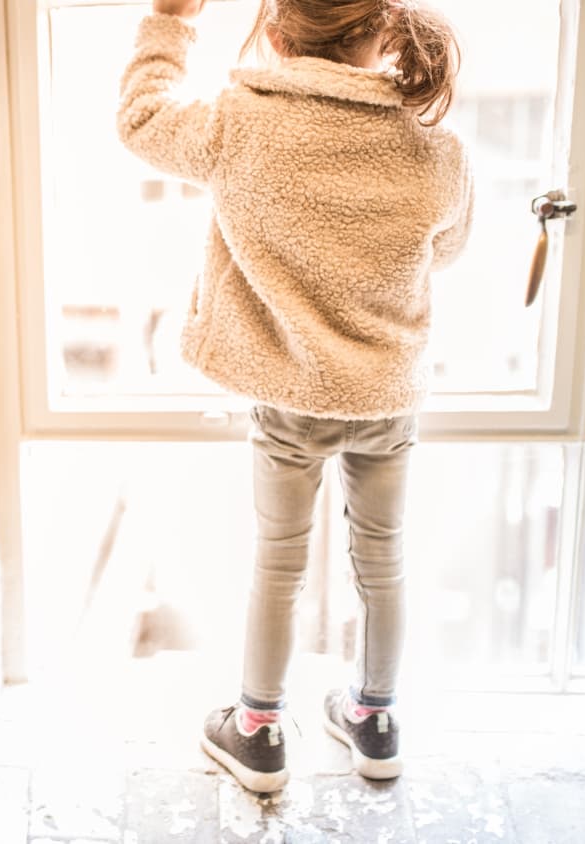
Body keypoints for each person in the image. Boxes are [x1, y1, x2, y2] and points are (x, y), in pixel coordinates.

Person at [116, 0, 474, 792]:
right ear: (382, 35)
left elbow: (141, 119)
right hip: (386, 394)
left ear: (277, 37)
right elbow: (445, 252)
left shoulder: (241, 122)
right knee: (383, 562)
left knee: (277, 565)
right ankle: (374, 721)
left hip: (290, 394)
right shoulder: (435, 148)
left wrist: (172, 19)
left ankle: (259, 730)